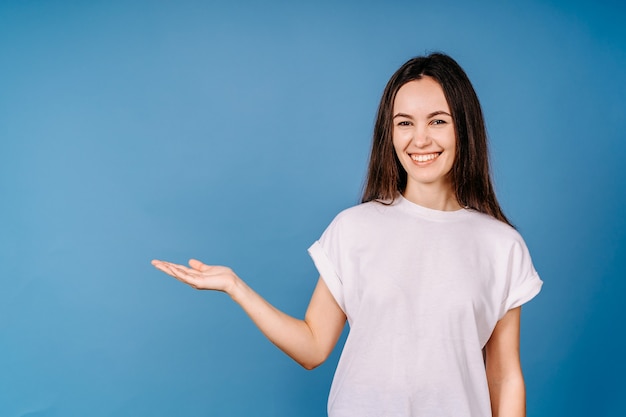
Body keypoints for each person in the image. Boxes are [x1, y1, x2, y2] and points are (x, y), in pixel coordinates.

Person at [152, 52, 542, 417]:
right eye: (404, 122)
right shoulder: (354, 227)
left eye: (438, 121)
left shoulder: (501, 245)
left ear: (464, 128)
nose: (420, 139)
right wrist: (236, 286)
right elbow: (312, 346)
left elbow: (504, 376)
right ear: (388, 133)